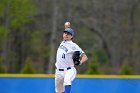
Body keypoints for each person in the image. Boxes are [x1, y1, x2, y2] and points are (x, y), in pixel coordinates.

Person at [55, 22, 88, 93]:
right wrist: (67, 26)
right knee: (59, 92)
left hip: (69, 70)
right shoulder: (63, 42)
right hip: (58, 72)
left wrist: (80, 62)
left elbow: (85, 57)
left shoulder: (74, 46)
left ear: (71, 36)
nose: (66, 34)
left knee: (67, 81)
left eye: (68, 34)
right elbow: (66, 30)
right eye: (65, 33)